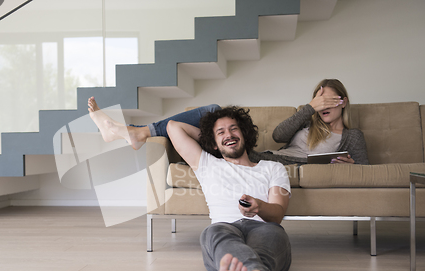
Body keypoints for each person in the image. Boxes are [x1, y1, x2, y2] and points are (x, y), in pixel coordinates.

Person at [166, 106, 291, 271]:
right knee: (214, 234)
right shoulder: (206, 163)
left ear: (244, 133)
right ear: (213, 143)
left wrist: (259, 206)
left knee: (273, 234)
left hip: (265, 227)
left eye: (234, 130)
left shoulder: (273, 168)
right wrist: (209, 139)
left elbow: (278, 213)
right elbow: (173, 126)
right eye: (221, 132)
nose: (229, 135)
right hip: (224, 227)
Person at [88, 79, 369, 164]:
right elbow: (281, 136)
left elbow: (367, 171)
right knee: (211, 109)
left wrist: (350, 167)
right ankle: (138, 133)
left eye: (329, 101)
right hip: (259, 155)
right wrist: (309, 108)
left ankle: (135, 133)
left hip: (260, 162)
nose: (323, 108)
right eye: (319, 102)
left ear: (342, 102)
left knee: (190, 122)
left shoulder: (352, 136)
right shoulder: (307, 123)